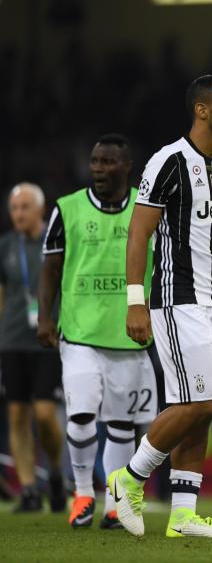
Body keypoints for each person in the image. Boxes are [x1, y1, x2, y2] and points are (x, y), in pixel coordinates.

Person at [108, 74, 212, 539]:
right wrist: (135, 302)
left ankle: (183, 514)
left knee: (203, 407)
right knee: (199, 400)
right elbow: (139, 233)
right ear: (202, 110)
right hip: (177, 299)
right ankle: (128, 479)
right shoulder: (166, 161)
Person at [38, 135, 158, 530]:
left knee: (123, 424)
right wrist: (44, 317)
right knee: (82, 413)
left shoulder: (147, 206)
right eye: (94, 162)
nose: (98, 169)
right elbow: (50, 268)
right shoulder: (67, 209)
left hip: (129, 334)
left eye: (108, 162)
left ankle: (114, 503)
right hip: (79, 334)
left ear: (127, 167)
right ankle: (83, 493)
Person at [0, 183, 66, 513]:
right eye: (14, 208)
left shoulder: (55, 243)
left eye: (25, 207)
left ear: (41, 210)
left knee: (43, 413)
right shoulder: (6, 246)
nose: (19, 214)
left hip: (47, 338)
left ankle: (54, 471)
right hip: (13, 339)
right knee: (16, 414)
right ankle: (28, 489)